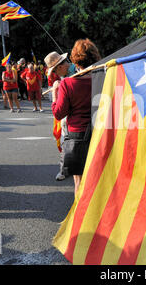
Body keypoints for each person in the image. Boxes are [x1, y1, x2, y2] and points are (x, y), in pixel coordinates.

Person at [47, 38, 101, 191]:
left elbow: (58, 113)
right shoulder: (104, 78)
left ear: (75, 59)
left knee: (79, 182)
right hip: (100, 131)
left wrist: (55, 94)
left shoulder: (67, 83)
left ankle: (81, 214)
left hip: (78, 134)